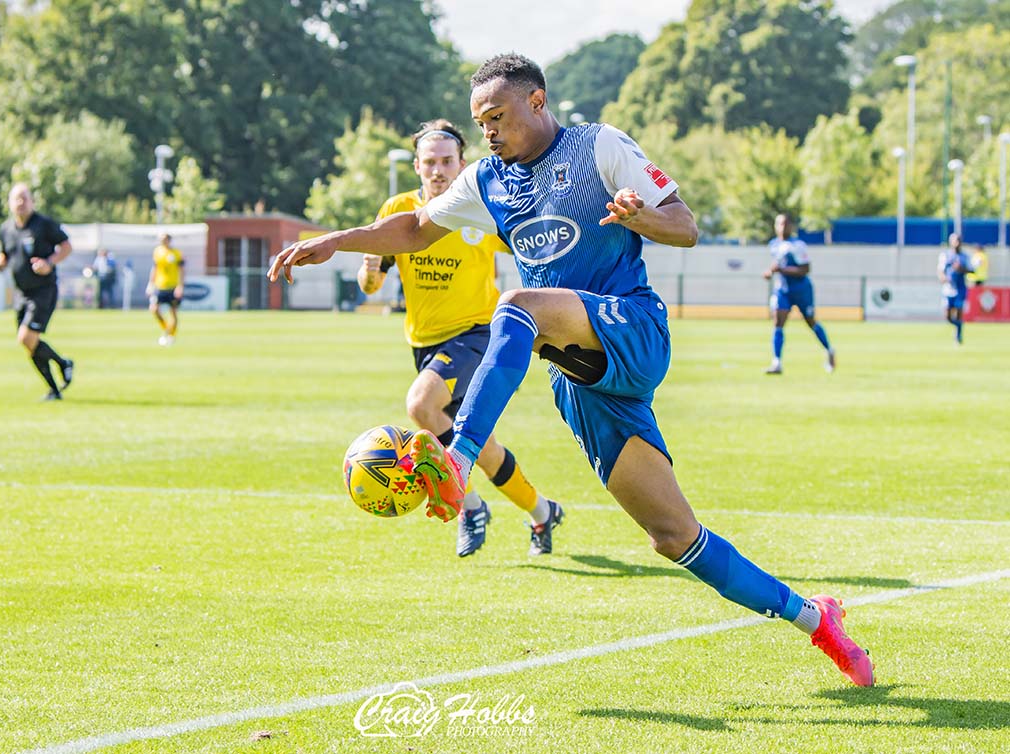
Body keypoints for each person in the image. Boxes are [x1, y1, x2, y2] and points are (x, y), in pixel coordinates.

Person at [269, 53, 874, 687]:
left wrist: (639, 216)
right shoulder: (486, 181)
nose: (490, 133)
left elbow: (686, 226)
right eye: (481, 123)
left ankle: (460, 456)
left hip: (632, 326)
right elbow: (418, 228)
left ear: (537, 101)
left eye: (497, 117)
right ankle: (816, 619)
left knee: (516, 305)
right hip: (579, 374)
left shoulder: (600, 148)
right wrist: (341, 238)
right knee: (672, 536)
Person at [358, 119, 564, 557]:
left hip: (476, 335)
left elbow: (535, 243)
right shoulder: (397, 209)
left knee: (420, 404)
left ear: (461, 164)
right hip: (424, 344)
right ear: (416, 166)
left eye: (446, 161)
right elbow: (370, 283)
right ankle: (543, 511)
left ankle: (469, 506)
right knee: (482, 449)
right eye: (429, 162)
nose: (438, 171)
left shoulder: (481, 208)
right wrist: (370, 271)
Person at [0, 183, 74, 400]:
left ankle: (62, 365)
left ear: (32, 201)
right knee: (30, 344)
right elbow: (5, 254)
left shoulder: (44, 224)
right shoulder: (6, 229)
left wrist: (49, 263)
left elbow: (66, 246)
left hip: (43, 290)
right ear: (9, 203)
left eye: (24, 198)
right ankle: (55, 387)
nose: (20, 203)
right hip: (21, 293)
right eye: (16, 199)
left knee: (26, 338)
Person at [762, 215, 835, 375]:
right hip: (783, 289)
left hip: (801, 289)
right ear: (775, 226)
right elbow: (777, 265)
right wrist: (770, 272)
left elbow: (804, 270)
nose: (783, 227)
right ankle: (777, 362)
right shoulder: (774, 245)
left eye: (786, 224)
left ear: (791, 226)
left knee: (810, 322)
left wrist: (781, 270)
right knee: (778, 321)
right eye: (780, 223)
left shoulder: (798, 245)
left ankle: (829, 350)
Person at [147, 233, 184, 346]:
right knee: (154, 309)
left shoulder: (176, 253)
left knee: (173, 313)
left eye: (164, 239)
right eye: (161, 239)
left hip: (173, 287)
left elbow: (181, 270)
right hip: (160, 286)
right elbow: (155, 268)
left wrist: (180, 285)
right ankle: (167, 329)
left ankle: (171, 336)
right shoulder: (157, 252)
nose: (162, 241)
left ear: (169, 240)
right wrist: (150, 283)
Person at [937, 233, 972, 345]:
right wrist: (943, 278)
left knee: (958, 312)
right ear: (950, 242)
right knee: (948, 316)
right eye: (954, 241)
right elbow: (940, 271)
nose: (956, 243)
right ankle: (958, 326)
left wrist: (961, 269)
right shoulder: (945, 256)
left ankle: (958, 335)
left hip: (960, 288)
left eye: (958, 240)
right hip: (948, 289)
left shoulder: (965, 256)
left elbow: (971, 270)